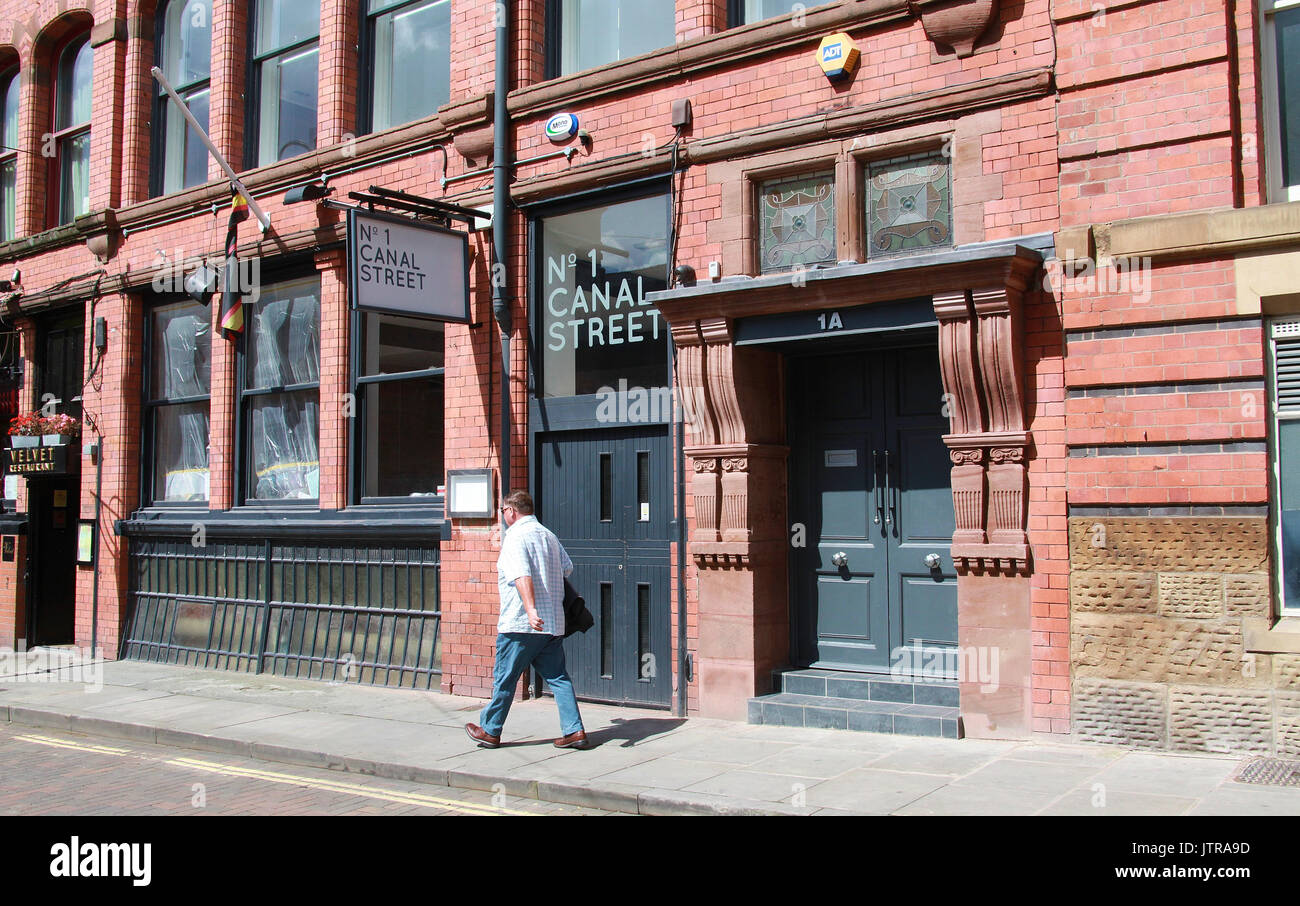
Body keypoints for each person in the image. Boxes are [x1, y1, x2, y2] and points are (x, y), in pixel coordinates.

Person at [465, 490, 588, 749]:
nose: (502, 516)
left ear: (511, 511)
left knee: (505, 678)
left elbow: (522, 575)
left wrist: (531, 609)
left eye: (502, 511)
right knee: (559, 678)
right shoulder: (549, 536)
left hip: (521, 624)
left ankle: (490, 730)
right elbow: (567, 567)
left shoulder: (515, 537)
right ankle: (574, 731)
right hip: (552, 624)